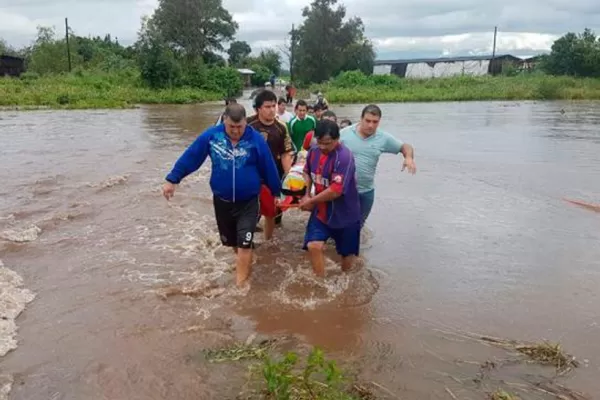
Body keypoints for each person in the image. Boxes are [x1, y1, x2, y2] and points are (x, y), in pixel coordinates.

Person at [162, 104, 281, 286]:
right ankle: (247, 259)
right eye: (231, 127)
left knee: (243, 244)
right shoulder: (212, 136)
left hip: (248, 202)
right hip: (222, 202)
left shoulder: (255, 140)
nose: (235, 131)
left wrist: (276, 192)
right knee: (234, 243)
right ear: (224, 121)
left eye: (239, 127)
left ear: (245, 122)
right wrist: (172, 179)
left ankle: (240, 288)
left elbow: (268, 167)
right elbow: (192, 157)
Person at [299, 119, 361, 277]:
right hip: (321, 213)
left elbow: (336, 190)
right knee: (313, 246)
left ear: (337, 139)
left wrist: (311, 201)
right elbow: (307, 172)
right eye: (319, 142)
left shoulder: (344, 157)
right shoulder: (313, 151)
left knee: (346, 258)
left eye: (327, 143)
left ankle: (345, 288)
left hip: (345, 215)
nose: (322, 147)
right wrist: (307, 193)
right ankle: (321, 282)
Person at [340, 104, 416, 226]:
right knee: (344, 223)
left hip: (367, 191)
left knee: (359, 224)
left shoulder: (383, 138)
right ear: (361, 119)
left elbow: (405, 147)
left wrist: (408, 158)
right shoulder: (344, 134)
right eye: (368, 121)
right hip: (344, 189)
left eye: (375, 122)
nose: (371, 125)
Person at [247, 90, 294, 238]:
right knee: (250, 212)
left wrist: (289, 178)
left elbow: (286, 153)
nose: (272, 109)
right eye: (267, 106)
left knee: (274, 213)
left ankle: (269, 242)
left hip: (274, 175)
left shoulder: (281, 127)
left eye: (274, 106)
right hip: (251, 175)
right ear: (258, 109)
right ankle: (247, 242)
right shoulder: (247, 125)